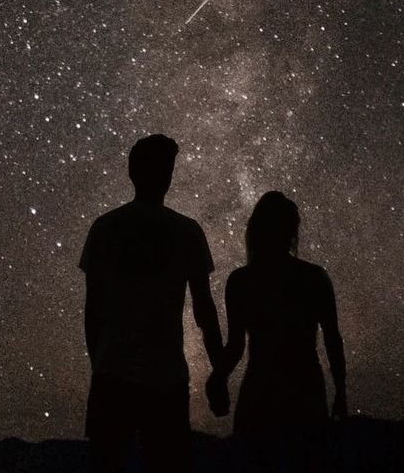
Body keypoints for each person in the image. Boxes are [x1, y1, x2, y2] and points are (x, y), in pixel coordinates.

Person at [79, 134, 225, 472]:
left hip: (113, 375)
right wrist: (217, 370)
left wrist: (98, 365)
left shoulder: (105, 228)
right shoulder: (186, 232)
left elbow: (92, 311)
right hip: (165, 378)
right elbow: (205, 310)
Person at [206, 191, 346, 465]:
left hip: (259, 392)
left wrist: (218, 377)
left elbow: (236, 346)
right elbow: (332, 340)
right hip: (305, 393)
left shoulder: (242, 281)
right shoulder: (314, 277)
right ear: (292, 231)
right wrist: (340, 391)